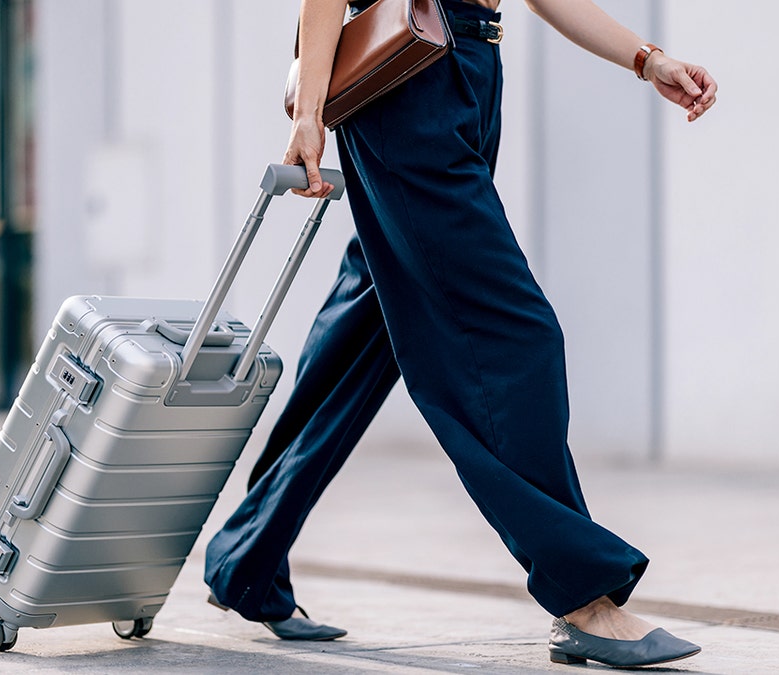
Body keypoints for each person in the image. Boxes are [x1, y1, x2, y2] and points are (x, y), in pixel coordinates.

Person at [204, 0, 717, 667]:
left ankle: (247, 556)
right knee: (511, 336)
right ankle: (582, 595)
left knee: (368, 329)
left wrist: (648, 61)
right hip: (409, 79)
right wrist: (308, 113)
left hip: (467, 73)